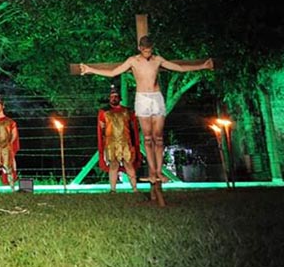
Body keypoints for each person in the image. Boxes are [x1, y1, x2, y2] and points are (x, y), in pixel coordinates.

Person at [80, 35, 213, 184]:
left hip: (156, 97)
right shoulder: (133, 61)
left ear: (152, 48)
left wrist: (203, 66)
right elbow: (113, 72)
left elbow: (180, 68)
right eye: (144, 51)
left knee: (159, 138)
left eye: (149, 51)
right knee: (148, 138)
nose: (147, 54)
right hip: (142, 98)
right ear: (139, 48)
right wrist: (90, 69)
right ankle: (152, 172)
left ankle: (159, 172)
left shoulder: (158, 60)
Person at [98, 85, 140, 193]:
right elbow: (101, 128)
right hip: (110, 142)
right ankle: (113, 189)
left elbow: (132, 127)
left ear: (119, 98)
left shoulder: (127, 111)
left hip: (126, 142)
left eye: (116, 96)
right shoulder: (104, 112)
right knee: (113, 164)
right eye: (112, 96)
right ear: (109, 98)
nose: (114, 98)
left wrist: (134, 145)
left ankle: (135, 189)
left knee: (128, 164)